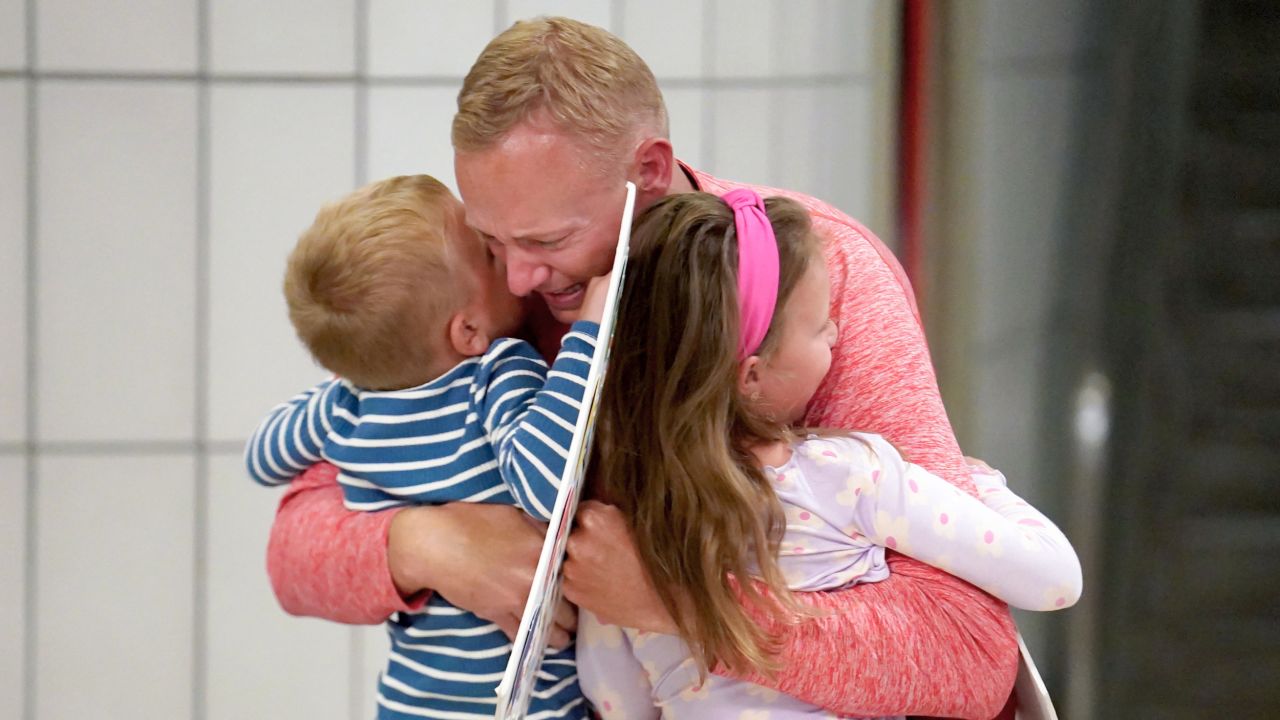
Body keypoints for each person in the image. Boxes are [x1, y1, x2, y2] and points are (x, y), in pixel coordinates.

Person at [265, 17, 1021, 719]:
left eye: (548, 241)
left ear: (650, 170)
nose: (520, 280)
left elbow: (968, 651)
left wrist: (680, 605)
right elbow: (293, 552)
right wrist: (428, 543)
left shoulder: (813, 282)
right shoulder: (484, 301)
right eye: (494, 241)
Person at [576, 190, 1082, 719]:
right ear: (751, 376)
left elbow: (616, 699)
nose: (838, 334)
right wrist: (984, 487)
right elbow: (1054, 579)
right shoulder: (845, 477)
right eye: (820, 327)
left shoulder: (620, 535)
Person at [245, 174, 606, 719]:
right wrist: (588, 338)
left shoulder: (346, 404)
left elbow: (263, 458)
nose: (508, 266)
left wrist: (351, 381)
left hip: (410, 701)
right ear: (467, 332)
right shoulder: (496, 373)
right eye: (488, 255)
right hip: (526, 706)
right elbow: (549, 484)